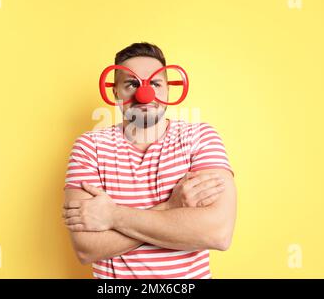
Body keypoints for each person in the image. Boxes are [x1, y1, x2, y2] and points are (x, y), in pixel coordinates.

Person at [62, 42, 237, 279]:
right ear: (115, 91)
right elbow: (87, 248)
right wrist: (170, 207)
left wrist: (112, 216)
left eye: (155, 83)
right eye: (131, 84)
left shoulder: (199, 137)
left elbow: (217, 233)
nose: (144, 94)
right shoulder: (89, 147)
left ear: (168, 90)